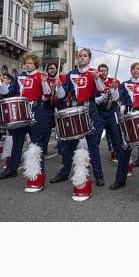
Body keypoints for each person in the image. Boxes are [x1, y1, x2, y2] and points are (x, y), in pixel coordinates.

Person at [49, 48, 107, 186]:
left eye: (85, 56)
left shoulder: (94, 73)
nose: (82, 58)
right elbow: (63, 96)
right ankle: (64, 173)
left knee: (93, 145)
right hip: (75, 109)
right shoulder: (71, 74)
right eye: (80, 56)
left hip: (90, 110)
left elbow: (101, 90)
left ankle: (98, 175)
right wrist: (59, 86)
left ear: (89, 58)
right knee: (70, 145)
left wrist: (97, 78)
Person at [0, 53, 52, 189]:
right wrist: (0, 83)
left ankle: (38, 171)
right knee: (17, 141)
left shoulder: (40, 76)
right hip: (20, 111)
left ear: (36, 64)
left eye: (30, 63)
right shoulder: (19, 77)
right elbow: (8, 93)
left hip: (35, 110)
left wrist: (44, 81)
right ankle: (11, 169)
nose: (27, 65)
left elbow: (48, 94)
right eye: (26, 62)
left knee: (37, 142)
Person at [93, 63, 127, 190]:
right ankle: (98, 176)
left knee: (118, 145)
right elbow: (95, 101)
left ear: (107, 72)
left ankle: (121, 178)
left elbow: (118, 99)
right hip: (99, 114)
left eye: (104, 70)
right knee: (94, 143)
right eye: (100, 70)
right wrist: (104, 96)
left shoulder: (115, 81)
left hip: (112, 114)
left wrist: (113, 90)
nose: (102, 72)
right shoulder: (94, 82)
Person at [40, 61, 68, 156]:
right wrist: (47, 96)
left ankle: (62, 151)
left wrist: (59, 86)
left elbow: (64, 95)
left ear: (57, 69)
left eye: (53, 68)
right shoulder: (44, 79)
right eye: (50, 68)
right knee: (45, 129)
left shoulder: (63, 79)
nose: (52, 70)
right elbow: (42, 96)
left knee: (61, 129)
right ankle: (43, 150)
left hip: (60, 106)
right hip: (48, 107)